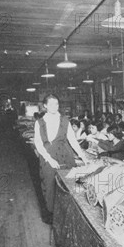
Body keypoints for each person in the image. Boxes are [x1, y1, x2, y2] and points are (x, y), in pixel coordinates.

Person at [34, 94, 88, 224]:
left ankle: (68, 217)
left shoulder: (65, 120)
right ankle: (53, 218)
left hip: (66, 156)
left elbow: (72, 140)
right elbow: (39, 144)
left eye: (57, 104)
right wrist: (49, 159)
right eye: (51, 104)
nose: (54, 106)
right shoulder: (39, 122)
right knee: (49, 187)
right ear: (45, 105)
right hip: (48, 157)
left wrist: (83, 156)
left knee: (68, 187)